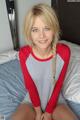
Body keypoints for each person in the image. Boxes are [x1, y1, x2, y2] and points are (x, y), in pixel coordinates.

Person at [11, 3, 78, 120]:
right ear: (29, 33)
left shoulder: (64, 52)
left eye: (46, 28)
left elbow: (58, 85)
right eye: (35, 30)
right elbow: (30, 85)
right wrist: (38, 112)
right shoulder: (24, 54)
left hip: (56, 102)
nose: (41, 35)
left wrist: (48, 112)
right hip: (31, 102)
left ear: (54, 29)